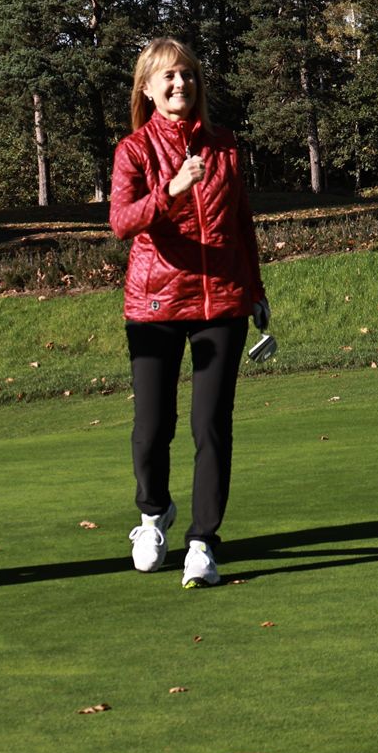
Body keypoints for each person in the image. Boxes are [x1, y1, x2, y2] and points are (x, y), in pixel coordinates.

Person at [107, 37, 267, 588]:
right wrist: (172, 189)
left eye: (189, 74)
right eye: (169, 77)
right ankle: (154, 516)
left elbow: (241, 222)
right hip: (155, 303)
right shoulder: (134, 150)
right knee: (153, 428)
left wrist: (256, 289)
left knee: (211, 426)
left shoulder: (224, 144)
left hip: (222, 300)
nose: (182, 84)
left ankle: (202, 542)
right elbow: (122, 221)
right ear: (148, 89)